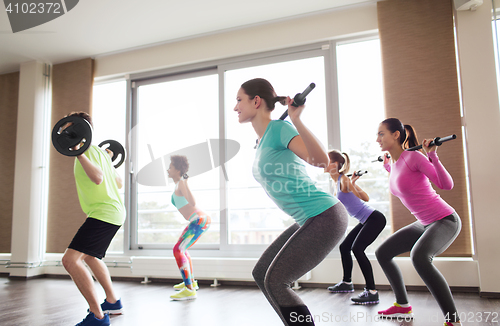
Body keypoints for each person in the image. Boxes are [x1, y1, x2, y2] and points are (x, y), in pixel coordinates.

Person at [234, 78, 348, 326]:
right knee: (262, 273)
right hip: (308, 218)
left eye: (239, 100)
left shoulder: (280, 129)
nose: (236, 107)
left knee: (276, 280)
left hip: (324, 214)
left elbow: (320, 162)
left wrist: (296, 119)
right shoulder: (264, 139)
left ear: (256, 101)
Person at [375, 118, 462, 326]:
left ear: (396, 135)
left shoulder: (414, 156)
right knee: (383, 253)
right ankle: (403, 306)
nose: (377, 139)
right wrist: (388, 167)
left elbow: (446, 185)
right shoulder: (396, 163)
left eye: (381, 134)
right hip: (423, 222)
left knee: (420, 257)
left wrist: (432, 156)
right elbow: (403, 181)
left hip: (444, 220)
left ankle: (453, 321)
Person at [60, 112, 125, 326]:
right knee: (90, 257)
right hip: (113, 212)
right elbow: (118, 183)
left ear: (80, 129)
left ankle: (97, 316)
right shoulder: (100, 153)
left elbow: (97, 178)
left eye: (69, 128)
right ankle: (113, 302)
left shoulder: (86, 153)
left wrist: (79, 154)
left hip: (104, 213)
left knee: (70, 261)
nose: (64, 132)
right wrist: (106, 162)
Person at [325, 150, 386, 305]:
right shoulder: (336, 182)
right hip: (365, 220)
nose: (323, 162)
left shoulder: (344, 179)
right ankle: (347, 283)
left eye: (327, 159)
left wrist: (352, 184)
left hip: (374, 218)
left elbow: (366, 198)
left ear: (336, 164)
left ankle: (372, 291)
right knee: (345, 247)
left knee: (357, 249)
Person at [167, 155, 211, 301]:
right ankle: (191, 283)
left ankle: (189, 289)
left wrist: (185, 183)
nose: (168, 169)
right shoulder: (179, 183)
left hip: (199, 220)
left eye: (170, 167)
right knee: (182, 250)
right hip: (199, 220)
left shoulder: (181, 183)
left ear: (177, 169)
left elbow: (192, 202)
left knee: (178, 249)